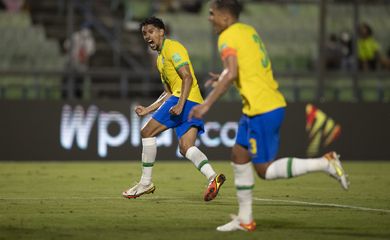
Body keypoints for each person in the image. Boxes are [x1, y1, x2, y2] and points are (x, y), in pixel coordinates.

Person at [189, 0, 349, 232]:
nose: (209, 17)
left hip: (262, 109)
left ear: (225, 17)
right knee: (239, 156)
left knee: (264, 170)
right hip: (257, 107)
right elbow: (242, 67)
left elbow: (232, 72)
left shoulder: (226, 37)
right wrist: (221, 76)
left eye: (212, 13)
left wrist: (206, 104)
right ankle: (245, 219)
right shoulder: (247, 31)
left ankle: (325, 163)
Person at [122, 16, 225, 201]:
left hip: (185, 100)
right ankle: (212, 177)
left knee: (147, 132)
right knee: (186, 148)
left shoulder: (173, 48)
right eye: (144, 33)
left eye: (151, 32)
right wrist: (148, 109)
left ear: (162, 32)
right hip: (191, 101)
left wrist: (180, 104)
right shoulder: (160, 60)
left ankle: (145, 183)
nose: (147, 36)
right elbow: (167, 93)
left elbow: (187, 78)